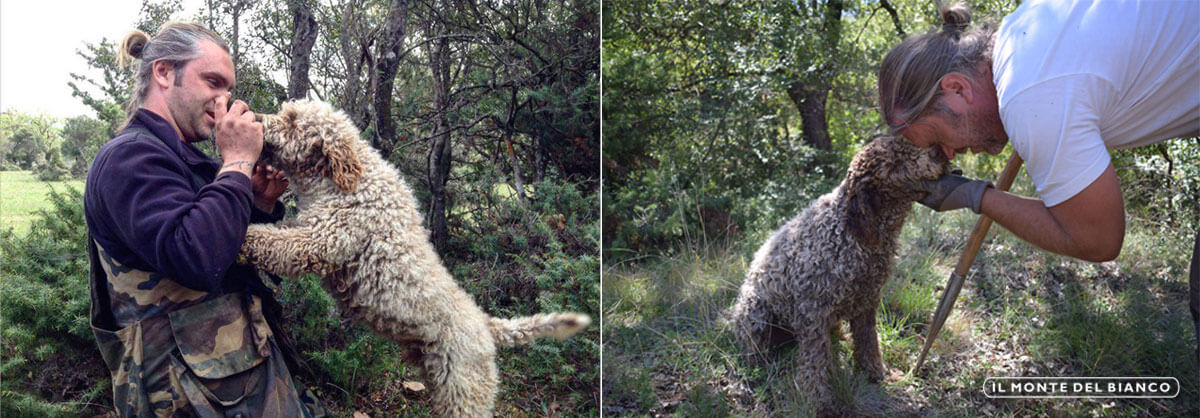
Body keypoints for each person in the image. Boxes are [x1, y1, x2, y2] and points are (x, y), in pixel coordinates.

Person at [877, 0, 1198, 378]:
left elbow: (1098, 240)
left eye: (935, 138)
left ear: (957, 89)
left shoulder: (1029, 93)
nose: (947, 154)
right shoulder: (1025, 28)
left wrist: (977, 196)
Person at [83, 21, 324, 416]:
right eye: (212, 82)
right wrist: (238, 161)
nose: (223, 101)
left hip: (233, 379)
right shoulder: (129, 159)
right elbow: (195, 255)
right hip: (188, 396)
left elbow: (225, 247)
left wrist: (256, 203)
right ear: (163, 72)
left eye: (228, 89)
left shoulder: (184, 158)